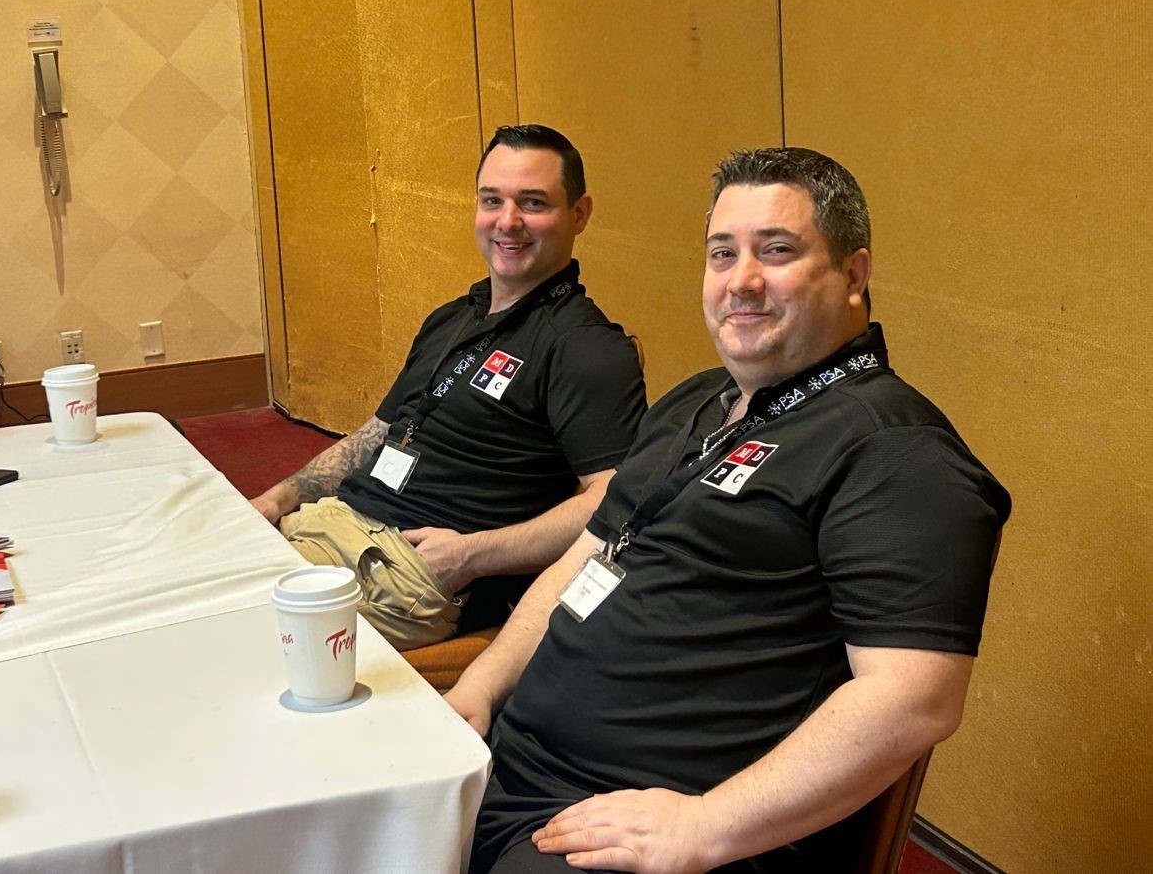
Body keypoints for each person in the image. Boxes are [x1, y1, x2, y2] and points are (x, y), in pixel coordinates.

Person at [446, 146, 1012, 873]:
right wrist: (481, 685)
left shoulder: (896, 452)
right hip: (506, 763)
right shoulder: (697, 401)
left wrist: (703, 826)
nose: (741, 281)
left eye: (776, 251)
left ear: (853, 274)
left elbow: (914, 700)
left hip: (642, 829)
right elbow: (586, 556)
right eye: (723, 253)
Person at [249, 125, 647, 650]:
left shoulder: (586, 347)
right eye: (492, 200)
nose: (508, 221)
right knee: (186, 576)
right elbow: (377, 433)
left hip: (409, 571)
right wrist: (276, 498)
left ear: (579, 214)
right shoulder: (453, 318)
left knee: (226, 632)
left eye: (533, 203)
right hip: (332, 523)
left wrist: (472, 556)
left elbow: (615, 499)